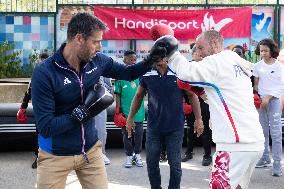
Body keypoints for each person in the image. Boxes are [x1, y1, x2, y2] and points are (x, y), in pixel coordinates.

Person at [31, 12, 159, 189]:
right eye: (96, 41)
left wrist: (151, 59)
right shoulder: (45, 73)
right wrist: (78, 116)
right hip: (55, 155)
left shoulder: (97, 61)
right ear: (79, 39)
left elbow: (128, 73)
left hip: (90, 151)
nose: (99, 47)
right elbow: (45, 126)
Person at [161, 31, 264, 189]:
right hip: (253, 142)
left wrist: (172, 53)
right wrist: (201, 92)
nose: (199, 52)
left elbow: (186, 73)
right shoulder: (232, 60)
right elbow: (221, 95)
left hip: (234, 145)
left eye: (201, 48)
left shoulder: (216, 61)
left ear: (215, 44)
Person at [126, 55, 203, 189]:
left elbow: (192, 95)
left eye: (159, 56)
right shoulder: (147, 73)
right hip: (153, 128)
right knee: (151, 163)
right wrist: (130, 118)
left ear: (166, 57)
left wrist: (198, 119)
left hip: (175, 128)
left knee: (175, 164)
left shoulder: (178, 73)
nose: (155, 60)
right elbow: (138, 96)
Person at [253, 38, 283, 177]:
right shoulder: (257, 66)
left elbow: (280, 86)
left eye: (265, 50)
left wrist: (268, 97)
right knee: (262, 132)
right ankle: (265, 158)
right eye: (261, 50)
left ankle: (277, 164)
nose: (263, 53)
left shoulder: (279, 66)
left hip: (274, 101)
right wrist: (258, 95)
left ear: (272, 51)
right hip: (261, 103)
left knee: (276, 134)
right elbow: (256, 84)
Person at [16, 52, 49, 169]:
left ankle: (49, 156)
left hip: (50, 111)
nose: (42, 63)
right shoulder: (36, 75)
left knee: (45, 133)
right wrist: (23, 107)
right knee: (39, 133)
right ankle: (39, 156)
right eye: (41, 61)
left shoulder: (52, 75)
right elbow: (28, 92)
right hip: (40, 111)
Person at [182, 44, 212, 166]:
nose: (200, 55)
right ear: (193, 54)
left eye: (201, 53)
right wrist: (184, 101)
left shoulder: (208, 67)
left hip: (205, 102)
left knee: (205, 129)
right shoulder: (187, 67)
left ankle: (207, 155)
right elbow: (183, 85)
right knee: (190, 128)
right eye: (197, 53)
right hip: (190, 102)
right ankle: (189, 152)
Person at [114, 50, 145, 168]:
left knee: (139, 135)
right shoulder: (120, 77)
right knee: (127, 135)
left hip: (139, 113)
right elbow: (117, 95)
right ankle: (129, 155)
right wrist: (118, 110)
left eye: (134, 60)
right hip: (125, 114)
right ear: (124, 61)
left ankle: (137, 154)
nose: (133, 62)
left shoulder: (140, 77)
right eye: (130, 60)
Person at [94, 76, 112, 165]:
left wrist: (101, 86)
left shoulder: (101, 65)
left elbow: (109, 87)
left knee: (101, 130)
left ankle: (101, 153)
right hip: (82, 102)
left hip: (99, 103)